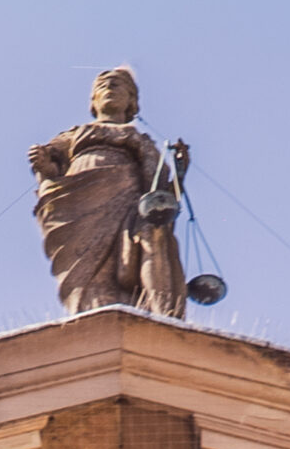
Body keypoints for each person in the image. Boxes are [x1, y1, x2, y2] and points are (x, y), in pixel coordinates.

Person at [30, 70, 188, 320]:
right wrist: (44, 166)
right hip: (77, 206)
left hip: (129, 204)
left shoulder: (140, 140)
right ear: (93, 100)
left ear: (132, 102)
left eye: (119, 84)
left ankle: (162, 314)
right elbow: (50, 170)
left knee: (152, 236)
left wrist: (179, 173)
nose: (110, 86)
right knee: (88, 277)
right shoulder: (73, 135)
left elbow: (159, 193)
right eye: (103, 85)